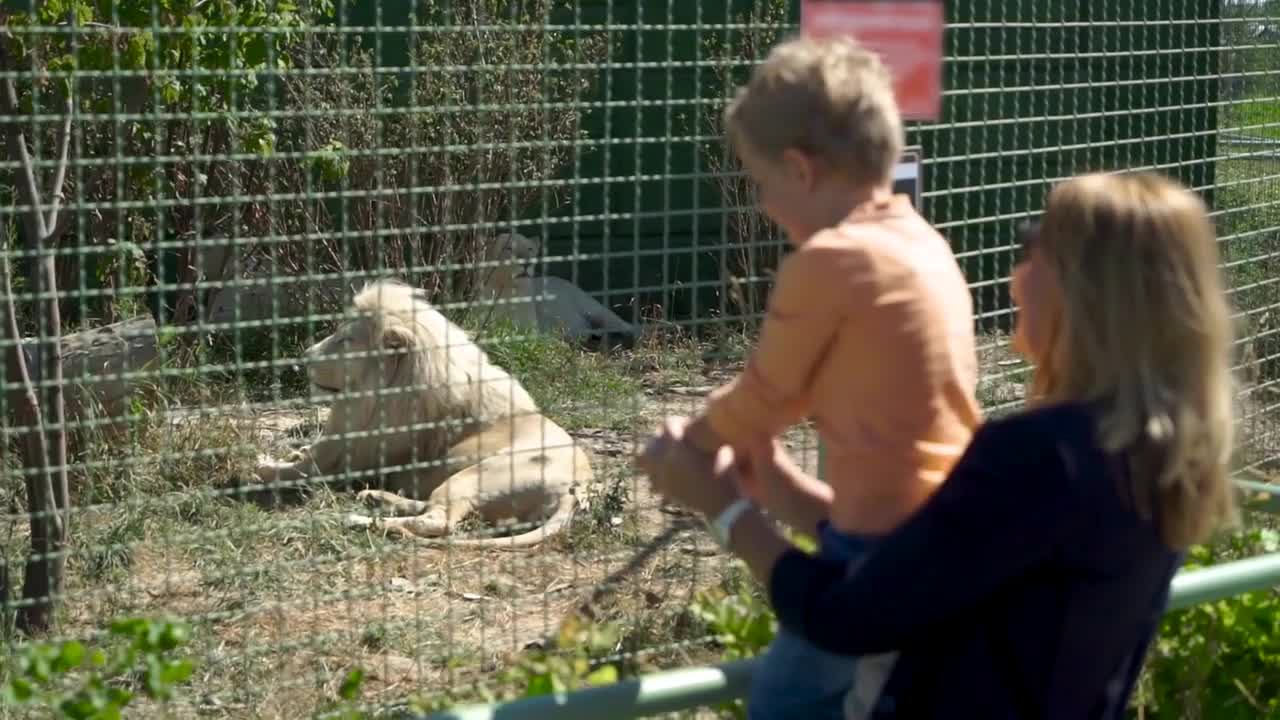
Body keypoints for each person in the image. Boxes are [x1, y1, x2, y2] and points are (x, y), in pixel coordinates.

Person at [638, 170, 1240, 719]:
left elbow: (849, 617)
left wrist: (725, 510)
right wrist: (783, 491)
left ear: (1082, 290)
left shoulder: (1037, 455)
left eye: (1031, 245)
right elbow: (935, 566)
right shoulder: (1156, 452)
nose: (1014, 272)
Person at [663, 33, 983, 720]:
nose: (761, 206)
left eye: (762, 182)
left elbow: (767, 396)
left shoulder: (832, 260)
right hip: (940, 532)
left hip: (876, 556)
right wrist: (771, 474)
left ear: (801, 171)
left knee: (785, 699)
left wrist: (690, 444)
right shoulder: (925, 245)